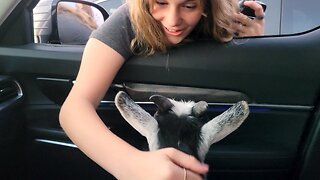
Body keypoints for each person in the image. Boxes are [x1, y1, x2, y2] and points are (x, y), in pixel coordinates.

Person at [59, 0, 265, 179]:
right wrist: (128, 164)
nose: (173, 19)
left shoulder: (226, 18)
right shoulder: (128, 19)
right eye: (160, 2)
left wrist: (254, 43)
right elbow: (75, 107)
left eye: (189, 5)